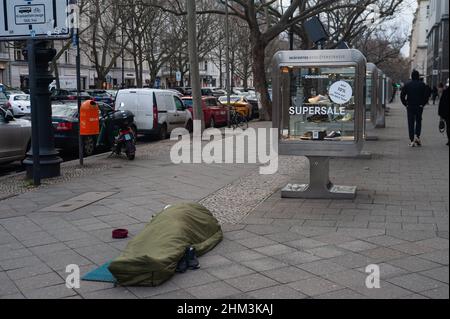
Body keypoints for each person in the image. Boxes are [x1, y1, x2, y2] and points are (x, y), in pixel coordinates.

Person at [401, 70, 429, 147]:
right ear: (418, 76)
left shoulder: (407, 85)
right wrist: (422, 104)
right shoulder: (422, 85)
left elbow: (402, 96)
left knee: (411, 122)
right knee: (419, 121)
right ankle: (417, 136)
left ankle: (411, 139)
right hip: (419, 106)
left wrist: (405, 104)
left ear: (412, 76)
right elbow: (426, 96)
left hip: (410, 106)